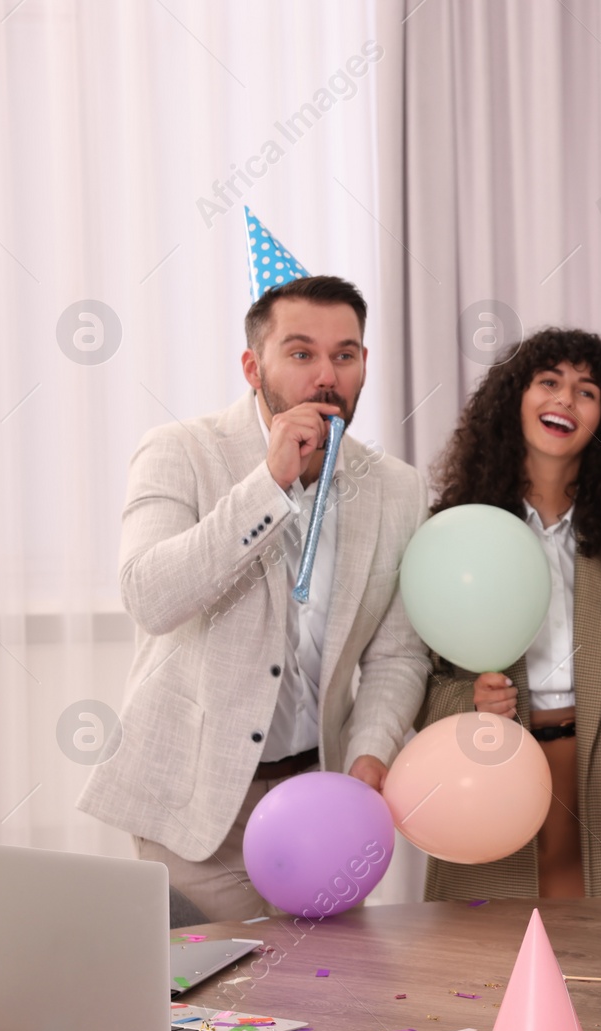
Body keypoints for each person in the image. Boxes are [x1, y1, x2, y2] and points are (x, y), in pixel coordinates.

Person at [79, 274, 430, 921]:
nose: (326, 374)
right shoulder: (179, 451)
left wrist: (368, 755)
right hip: (196, 806)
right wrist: (268, 482)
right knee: (220, 1006)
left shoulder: (399, 490)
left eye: (345, 354)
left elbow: (397, 655)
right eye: (301, 353)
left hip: (324, 800)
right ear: (252, 366)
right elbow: (150, 596)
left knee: (328, 1002)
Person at [417, 327, 601, 901]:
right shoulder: (452, 533)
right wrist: (466, 700)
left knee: (598, 973)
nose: (565, 399)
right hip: (487, 783)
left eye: (586, 391)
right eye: (549, 382)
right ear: (513, 400)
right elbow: (416, 679)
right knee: (489, 974)